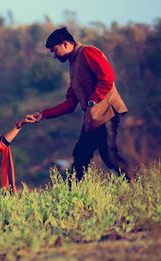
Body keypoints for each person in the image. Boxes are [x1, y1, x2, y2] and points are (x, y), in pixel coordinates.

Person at [26, 27, 134, 182]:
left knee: (109, 155)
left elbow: (107, 77)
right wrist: (43, 115)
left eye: (54, 50)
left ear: (65, 44)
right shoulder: (74, 63)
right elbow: (70, 104)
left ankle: (135, 183)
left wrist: (92, 101)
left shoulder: (88, 52)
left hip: (107, 113)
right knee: (81, 155)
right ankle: (72, 194)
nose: (54, 55)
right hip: (93, 117)